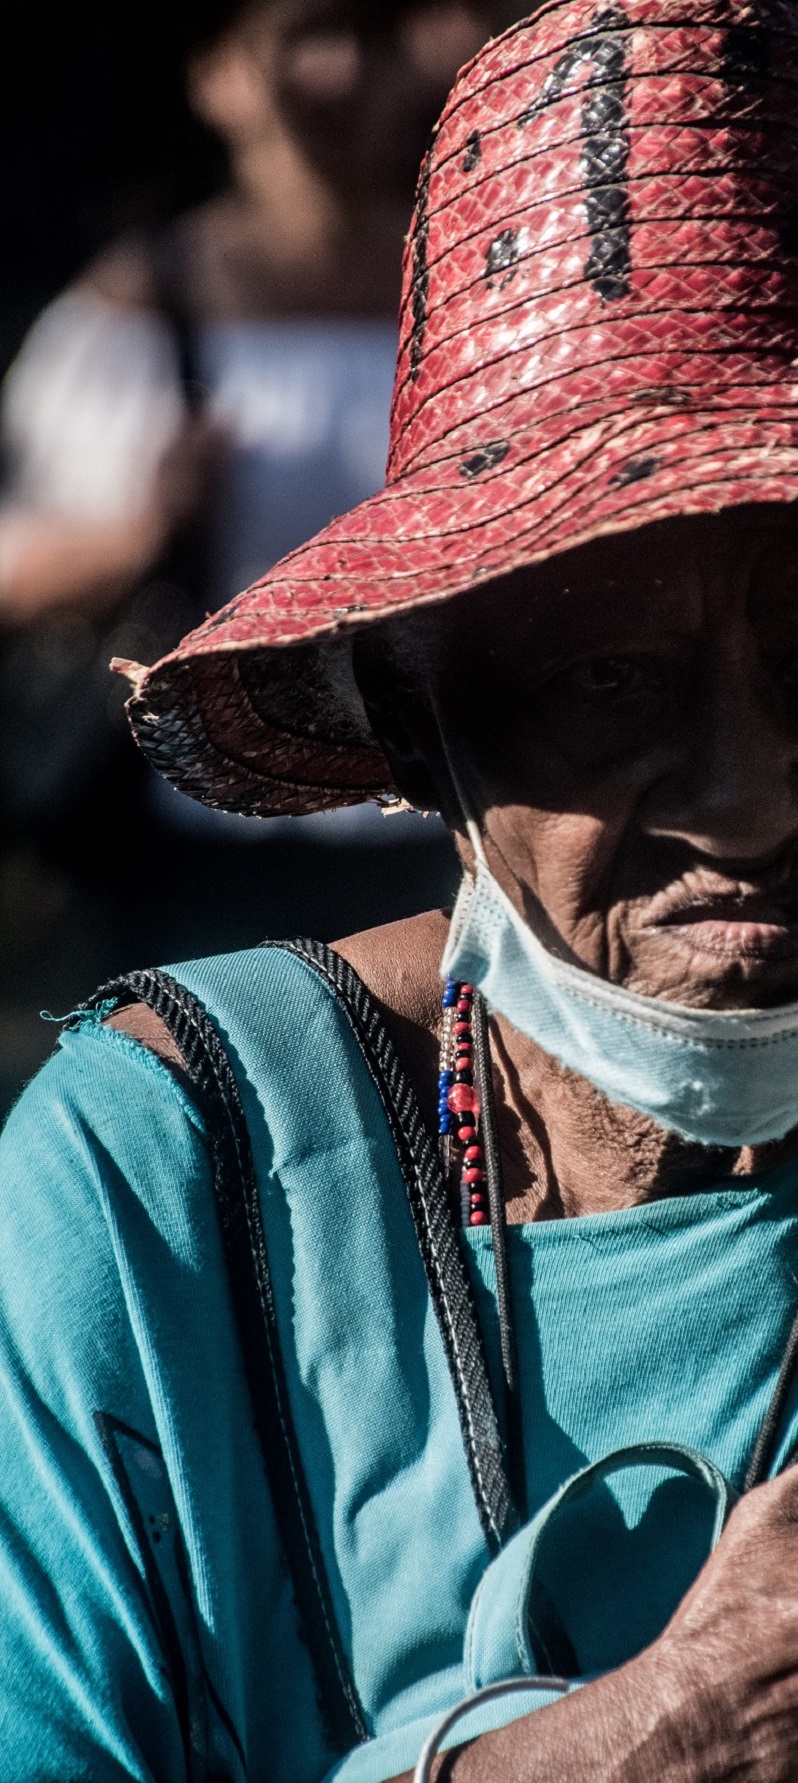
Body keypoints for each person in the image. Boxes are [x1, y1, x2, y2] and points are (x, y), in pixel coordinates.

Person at [4, 1, 798, 1783]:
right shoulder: (164, 1179)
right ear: (421, 726)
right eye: (606, 682)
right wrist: (666, 1747)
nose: (749, 796)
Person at [0, 0, 484, 1096]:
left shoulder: (476, 289)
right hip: (204, 839)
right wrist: (137, 533)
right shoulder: (147, 302)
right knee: (213, 1116)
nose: (343, 72)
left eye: (373, 37)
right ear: (217, 76)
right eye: (306, 36)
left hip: (446, 817)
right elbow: (16, 563)